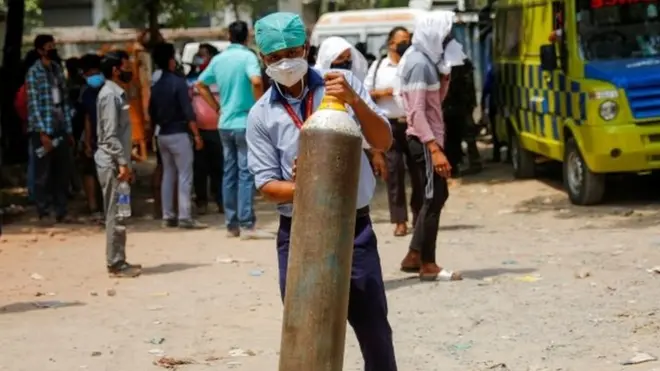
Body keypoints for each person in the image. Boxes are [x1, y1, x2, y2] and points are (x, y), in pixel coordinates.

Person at [246, 12, 397, 370]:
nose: (284, 62)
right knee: (307, 332)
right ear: (262, 59)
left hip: (353, 230)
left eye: (291, 51)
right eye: (273, 57)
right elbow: (268, 186)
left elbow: (384, 140)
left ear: (306, 47)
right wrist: (308, 185)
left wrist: (355, 103)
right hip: (299, 235)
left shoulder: (342, 84)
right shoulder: (261, 115)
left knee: (374, 330)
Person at [396, 11, 463, 281]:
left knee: (438, 196)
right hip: (425, 141)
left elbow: (434, 102)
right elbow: (417, 113)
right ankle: (427, 263)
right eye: (446, 36)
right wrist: (434, 150)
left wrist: (445, 76)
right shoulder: (418, 64)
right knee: (432, 199)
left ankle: (414, 253)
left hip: (430, 139)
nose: (449, 41)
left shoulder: (426, 61)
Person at [197, 20, 264, 239]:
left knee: (229, 173)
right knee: (245, 173)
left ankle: (231, 223)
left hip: (224, 122)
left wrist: (216, 107)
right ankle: (246, 222)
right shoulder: (248, 57)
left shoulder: (219, 59)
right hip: (245, 122)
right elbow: (255, 80)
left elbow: (200, 84)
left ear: (229, 37)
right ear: (247, 37)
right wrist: (258, 106)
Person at [364, 26, 423, 237]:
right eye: (401, 40)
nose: (406, 44)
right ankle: (399, 220)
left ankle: (419, 215)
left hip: (413, 124)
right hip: (388, 126)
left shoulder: (413, 63)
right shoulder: (379, 66)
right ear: (391, 44)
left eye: (408, 39)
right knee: (394, 173)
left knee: (419, 172)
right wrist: (383, 92)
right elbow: (366, 94)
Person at [95, 50, 142, 277]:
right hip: (113, 163)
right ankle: (115, 263)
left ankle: (119, 259)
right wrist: (123, 162)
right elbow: (109, 135)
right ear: (115, 70)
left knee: (121, 210)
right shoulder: (109, 96)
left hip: (119, 162)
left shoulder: (118, 94)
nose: (128, 70)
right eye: (125, 66)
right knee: (115, 212)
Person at [150, 43, 207, 229]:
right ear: (170, 60)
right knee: (184, 175)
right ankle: (185, 216)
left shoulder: (156, 84)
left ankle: (168, 215)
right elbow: (188, 112)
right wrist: (197, 136)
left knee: (168, 173)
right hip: (179, 133)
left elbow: (150, 111)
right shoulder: (178, 83)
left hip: (162, 134)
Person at [26, 34, 74, 225]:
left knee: (62, 171)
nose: (52, 49)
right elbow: (33, 105)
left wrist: (68, 130)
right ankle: (43, 211)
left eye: (53, 45)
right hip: (43, 131)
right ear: (40, 50)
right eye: (49, 46)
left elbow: (64, 101)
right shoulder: (34, 73)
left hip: (60, 127)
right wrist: (42, 132)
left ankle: (61, 210)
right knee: (42, 172)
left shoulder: (57, 70)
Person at [192, 43, 224, 215]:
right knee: (200, 168)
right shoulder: (191, 79)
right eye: (198, 55)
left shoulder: (220, 77)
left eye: (203, 55)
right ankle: (201, 201)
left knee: (219, 167)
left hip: (218, 129)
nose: (199, 59)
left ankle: (221, 200)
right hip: (198, 130)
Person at [443, 57, 482, 177]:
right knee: (459, 136)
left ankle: (465, 164)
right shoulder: (459, 61)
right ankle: (461, 163)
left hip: (457, 105)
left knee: (458, 136)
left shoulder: (453, 62)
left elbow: (460, 86)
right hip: (459, 105)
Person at [78, 53, 105, 219]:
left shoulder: (87, 91)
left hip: (98, 138)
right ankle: (98, 207)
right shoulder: (109, 88)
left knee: (92, 172)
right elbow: (87, 118)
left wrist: (87, 142)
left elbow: (87, 118)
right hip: (101, 138)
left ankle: (96, 207)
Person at [481, 61, 501, 162]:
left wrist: (483, 105)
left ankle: (496, 156)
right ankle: (509, 155)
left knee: (495, 131)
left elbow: (486, 88)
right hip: (504, 103)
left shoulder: (491, 69)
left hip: (495, 104)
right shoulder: (500, 69)